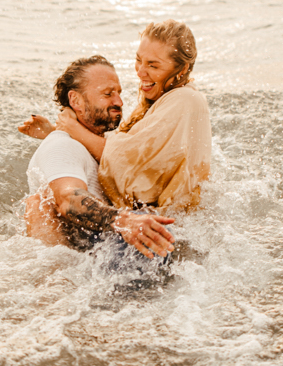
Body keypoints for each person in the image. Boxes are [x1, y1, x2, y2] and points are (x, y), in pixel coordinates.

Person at [21, 20, 211, 217]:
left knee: (39, 205)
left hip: (164, 227)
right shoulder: (166, 99)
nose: (140, 72)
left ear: (182, 69)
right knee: (38, 204)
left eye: (153, 65)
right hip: (163, 223)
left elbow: (133, 166)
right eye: (139, 60)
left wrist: (71, 128)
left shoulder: (184, 99)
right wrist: (58, 132)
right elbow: (139, 156)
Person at [20, 55, 175, 260]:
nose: (119, 101)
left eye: (119, 93)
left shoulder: (101, 146)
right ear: (75, 100)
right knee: (38, 202)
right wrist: (123, 220)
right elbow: (68, 198)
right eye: (107, 94)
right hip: (86, 269)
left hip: (113, 258)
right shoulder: (62, 146)